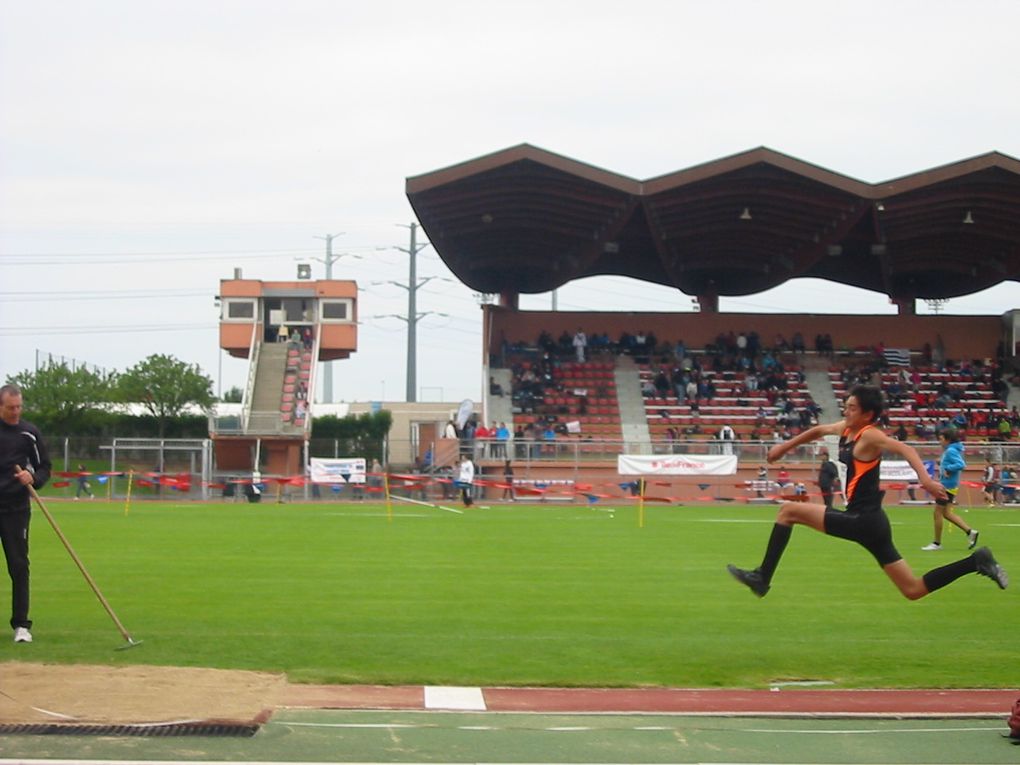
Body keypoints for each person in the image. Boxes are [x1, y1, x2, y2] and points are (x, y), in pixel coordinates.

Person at [727, 385, 1007, 600]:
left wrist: (926, 480)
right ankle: (976, 561)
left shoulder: (870, 435)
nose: (845, 411)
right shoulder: (847, 429)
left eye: (851, 408)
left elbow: (906, 449)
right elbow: (819, 429)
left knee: (788, 511)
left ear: (867, 414)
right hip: (872, 523)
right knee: (913, 589)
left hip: (863, 519)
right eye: (845, 406)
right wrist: (783, 448)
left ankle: (762, 577)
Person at [0, 384, 52, 643]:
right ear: (1, 406)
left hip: (16, 509)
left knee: (19, 566)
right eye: (10, 408)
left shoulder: (29, 433)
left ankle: (21, 625)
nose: (15, 412)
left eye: (19, 407)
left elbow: (45, 468)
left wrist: (32, 476)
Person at [922, 428, 978, 551]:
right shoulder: (952, 449)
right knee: (946, 513)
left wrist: (947, 468)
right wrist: (942, 463)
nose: (939, 441)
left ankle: (936, 543)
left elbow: (961, 464)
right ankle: (970, 532)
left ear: (948, 439)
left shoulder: (951, 450)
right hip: (950, 485)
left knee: (937, 513)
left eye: (941, 439)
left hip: (946, 486)